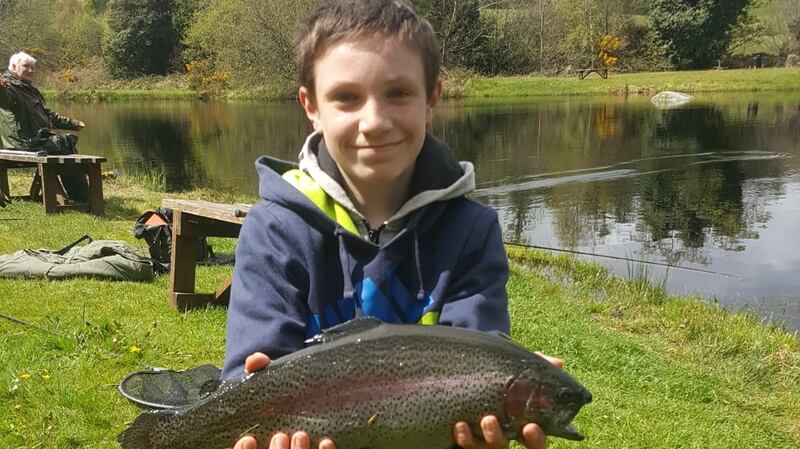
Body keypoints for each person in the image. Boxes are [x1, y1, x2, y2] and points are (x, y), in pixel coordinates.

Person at [225, 1, 561, 449]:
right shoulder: (274, 228)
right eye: (346, 97)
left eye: (398, 93)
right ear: (311, 106)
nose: (375, 121)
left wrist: (507, 376)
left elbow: (476, 356)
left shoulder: (471, 230)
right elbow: (246, 375)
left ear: (433, 99)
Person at [0, 51, 89, 201]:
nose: (30, 70)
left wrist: (72, 123)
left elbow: (47, 114)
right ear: (14, 67)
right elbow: (3, 96)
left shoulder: (28, 89)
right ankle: (80, 196)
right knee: (63, 144)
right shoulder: (8, 88)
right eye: (26, 66)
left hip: (34, 140)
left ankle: (80, 196)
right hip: (21, 143)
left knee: (65, 143)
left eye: (32, 67)